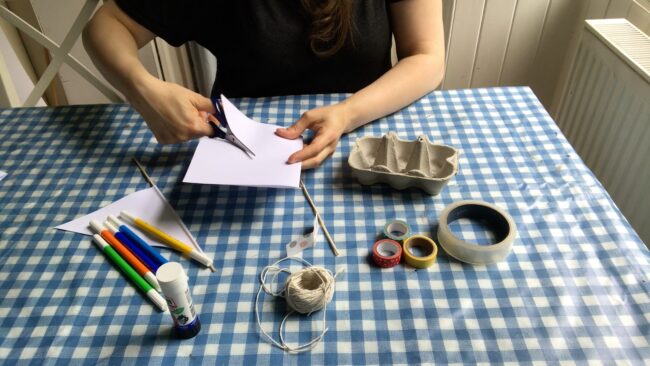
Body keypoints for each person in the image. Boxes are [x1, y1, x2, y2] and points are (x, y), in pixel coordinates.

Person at [83, 0, 444, 169]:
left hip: (364, 141)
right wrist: (143, 90)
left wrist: (347, 114)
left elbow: (427, 57)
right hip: (240, 159)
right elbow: (106, 25)